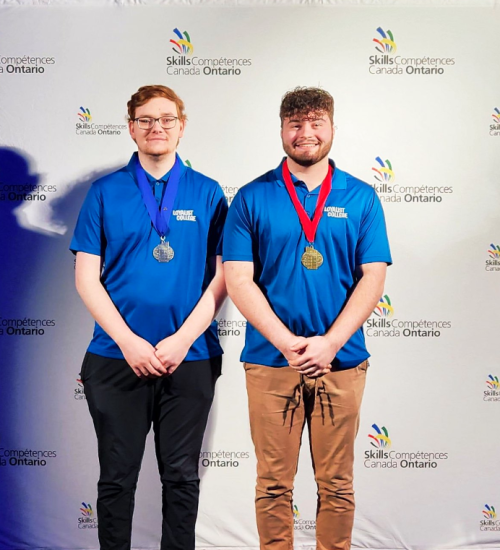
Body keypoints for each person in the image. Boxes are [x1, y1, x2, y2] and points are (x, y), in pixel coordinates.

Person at [223, 87, 391, 550]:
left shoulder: (361, 197)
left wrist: (330, 344)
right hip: (271, 361)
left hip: (343, 361)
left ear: (332, 128)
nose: (306, 133)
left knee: (336, 483)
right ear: (281, 130)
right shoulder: (252, 198)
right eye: (295, 124)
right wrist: (286, 344)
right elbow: (237, 279)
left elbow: (372, 279)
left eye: (316, 122)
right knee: (273, 484)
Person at [70, 85, 227, 550]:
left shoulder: (207, 192)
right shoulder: (105, 192)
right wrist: (129, 342)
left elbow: (224, 279)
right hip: (116, 356)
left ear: (182, 124)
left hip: (191, 356)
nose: (156, 127)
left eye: (166, 119)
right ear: (131, 126)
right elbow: (86, 278)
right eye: (145, 119)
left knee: (181, 478)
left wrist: (180, 341)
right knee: (117, 479)